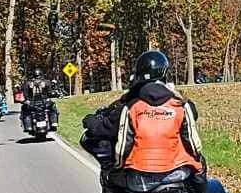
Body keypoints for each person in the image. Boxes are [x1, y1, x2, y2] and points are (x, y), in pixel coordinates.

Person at [81, 49, 205, 185]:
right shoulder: (181, 104)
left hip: (139, 178)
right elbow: (194, 144)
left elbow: (122, 146)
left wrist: (89, 121)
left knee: (111, 178)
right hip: (179, 173)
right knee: (201, 169)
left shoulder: (130, 106)